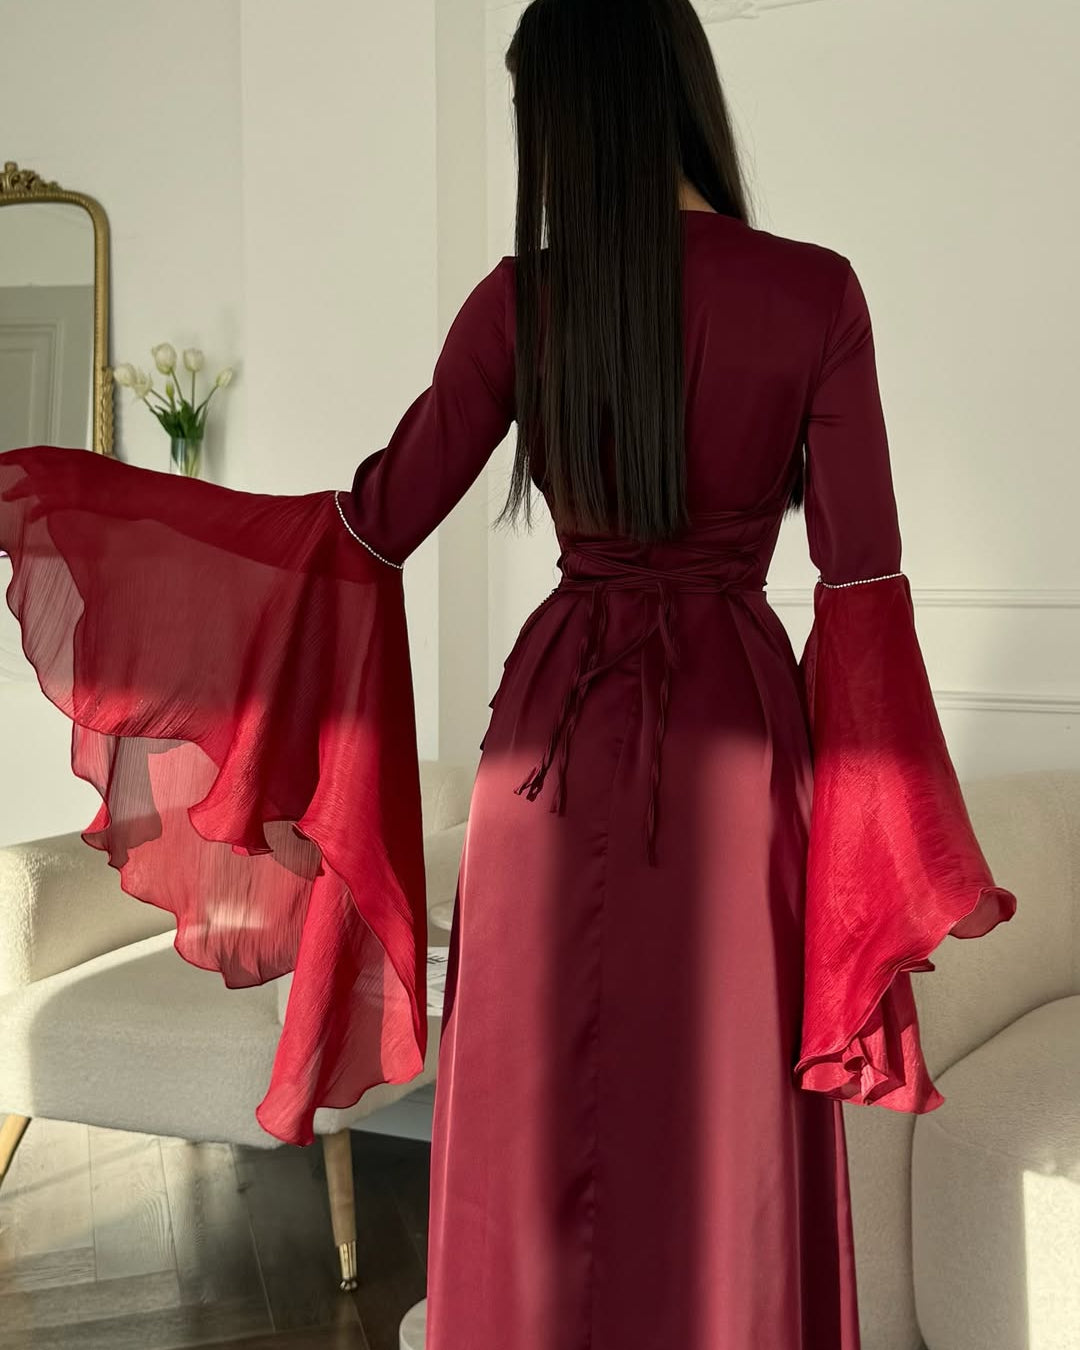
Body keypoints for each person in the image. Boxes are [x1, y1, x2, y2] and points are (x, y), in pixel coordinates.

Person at [0, 1, 1016, 1346]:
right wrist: (878, 847)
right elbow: (862, 582)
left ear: (564, 117)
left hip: (553, 743)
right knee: (722, 1101)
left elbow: (368, 527)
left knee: (542, 1109)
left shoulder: (521, 300)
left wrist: (103, 518)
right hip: (737, 736)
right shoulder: (813, 293)